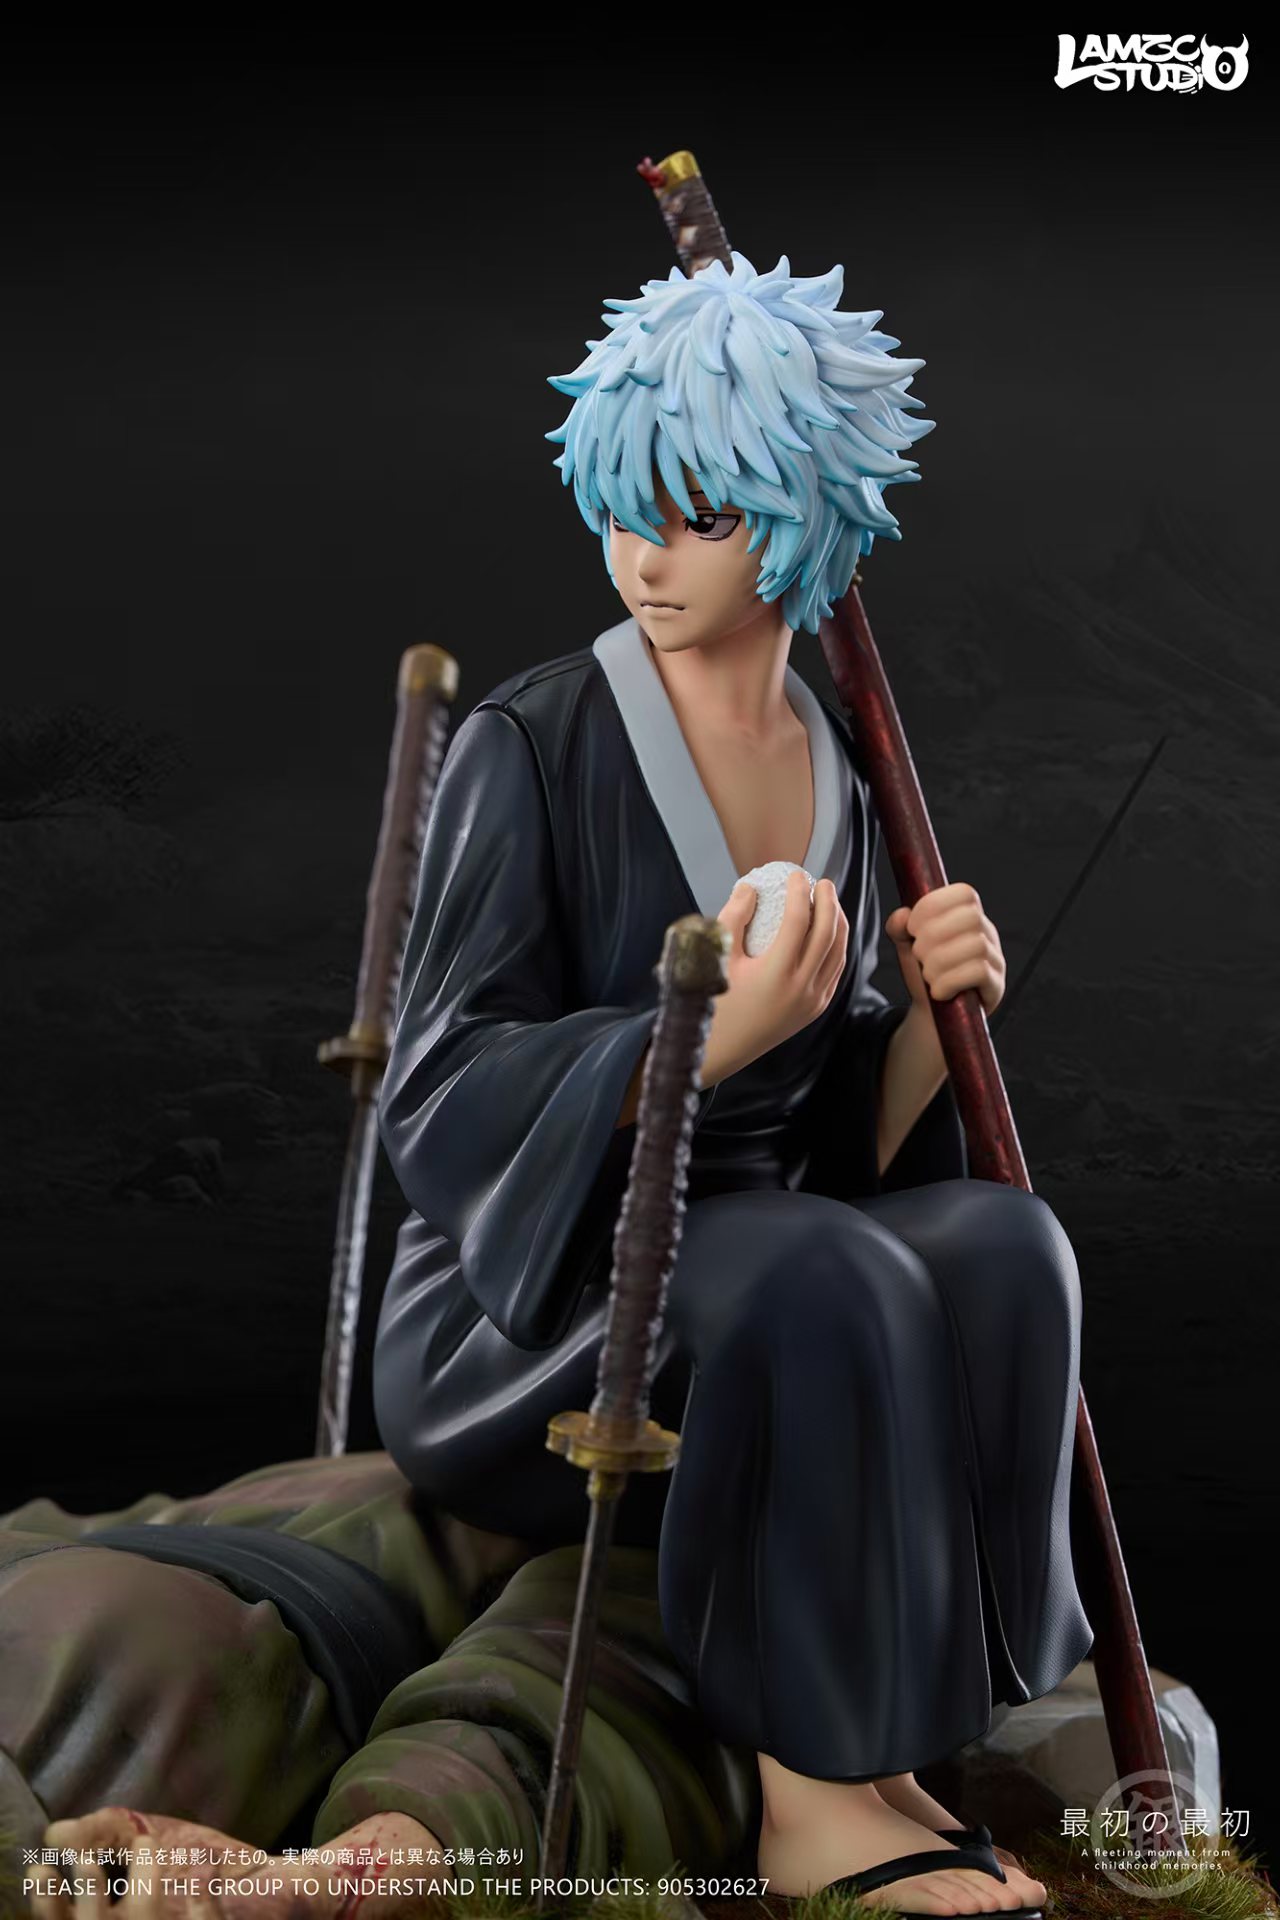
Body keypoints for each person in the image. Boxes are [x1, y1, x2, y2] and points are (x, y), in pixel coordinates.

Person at [371, 251, 1095, 1910]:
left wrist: (918, 1029)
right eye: (625, 507)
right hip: (538, 1300)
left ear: (804, 516)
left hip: (767, 1248)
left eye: (697, 517)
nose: (647, 554)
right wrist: (695, 1042)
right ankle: (811, 1800)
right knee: (816, 1274)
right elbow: (442, 1090)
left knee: (1003, 1248)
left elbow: (835, 1149)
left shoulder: (845, 766)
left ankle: (918, 1738)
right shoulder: (535, 747)